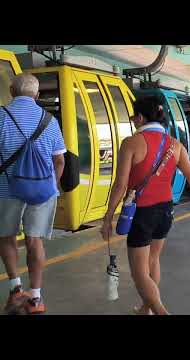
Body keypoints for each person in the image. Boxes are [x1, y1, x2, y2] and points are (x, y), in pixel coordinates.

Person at [100, 96, 190, 315]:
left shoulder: (131, 143)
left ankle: (160, 311)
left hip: (142, 213)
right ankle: (146, 308)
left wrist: (108, 216)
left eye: (134, 116)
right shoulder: (176, 145)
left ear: (141, 117)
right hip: (166, 211)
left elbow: (120, 184)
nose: (134, 120)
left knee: (139, 274)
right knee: (153, 260)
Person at [0, 74, 66, 314]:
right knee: (34, 240)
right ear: (37, 95)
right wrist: (51, 185)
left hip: (5, 190)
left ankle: (15, 288)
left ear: (11, 91)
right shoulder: (49, 121)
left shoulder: (0, 117)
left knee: (6, 237)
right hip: (41, 191)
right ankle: (36, 299)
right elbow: (59, 160)